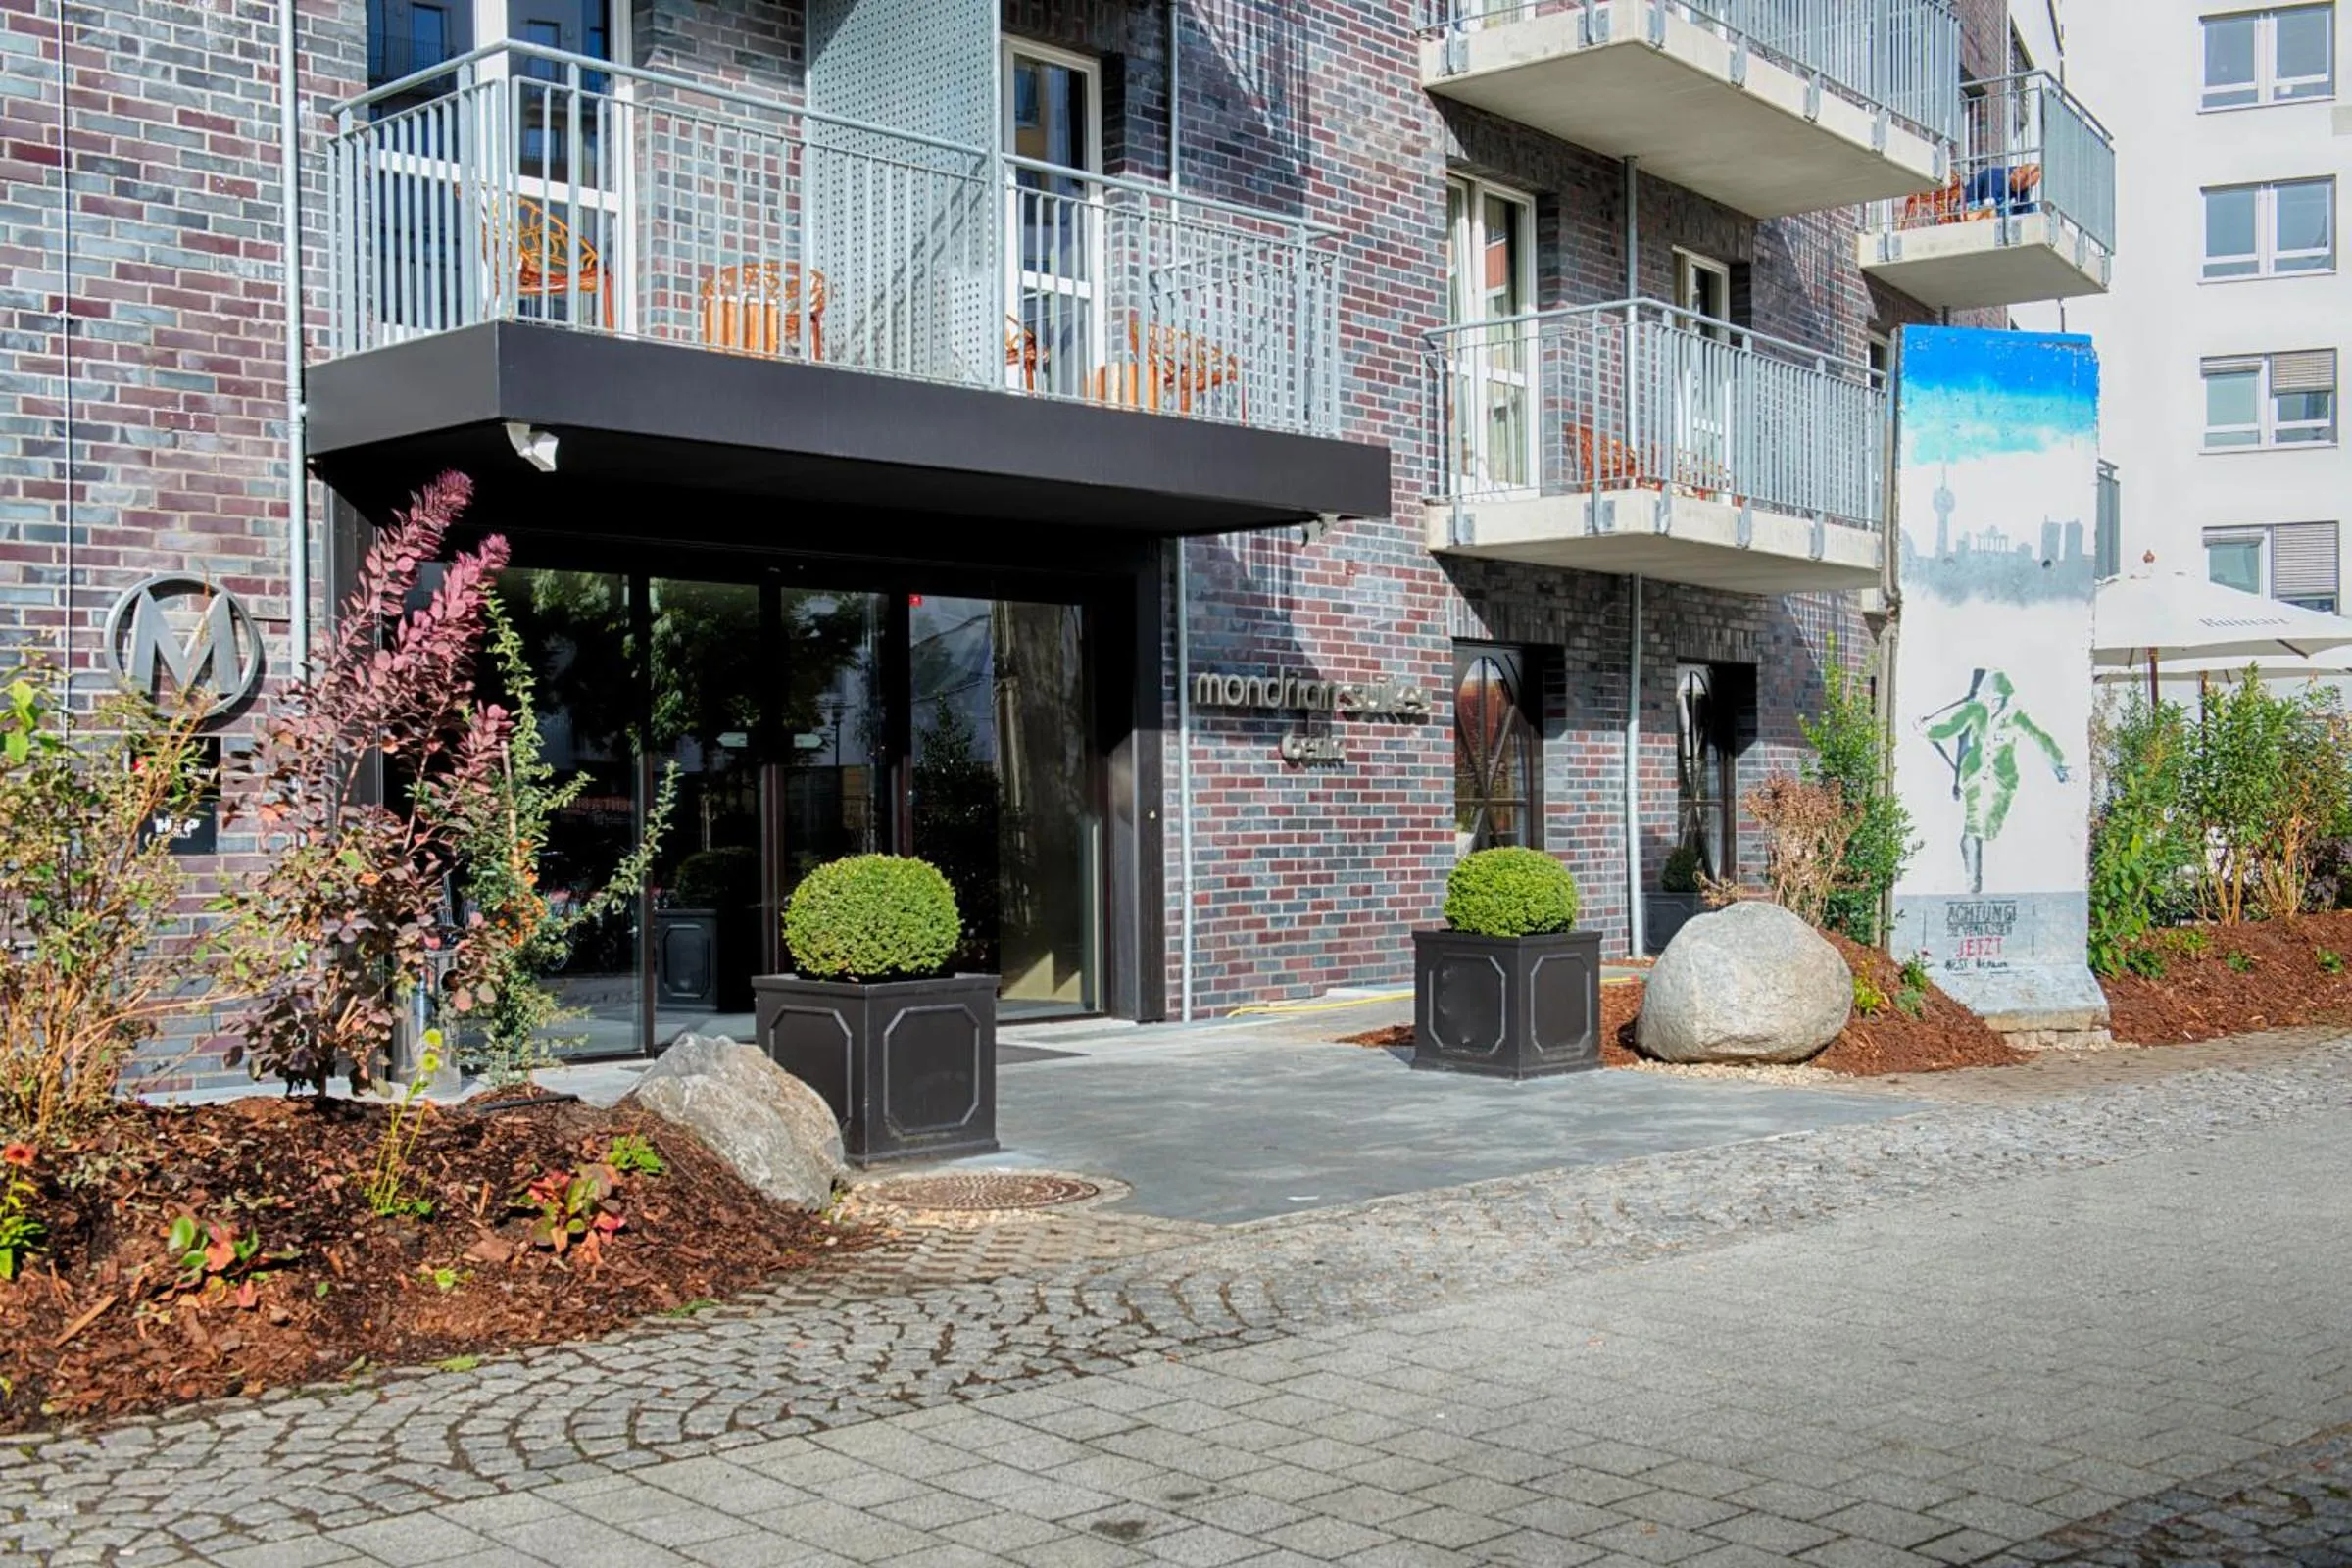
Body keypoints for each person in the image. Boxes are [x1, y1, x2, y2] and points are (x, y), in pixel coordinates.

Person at [1921, 668, 2069, 894]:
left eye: (1996, 699)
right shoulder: (1975, 710)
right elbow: (1950, 728)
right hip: (1975, 776)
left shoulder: (2015, 716)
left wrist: (2058, 764)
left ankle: (1985, 848)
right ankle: (1973, 882)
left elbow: (2040, 737)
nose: (1991, 704)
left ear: (2005, 698)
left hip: (2003, 780)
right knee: (1973, 828)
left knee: (1990, 828)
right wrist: (1928, 730)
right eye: (1988, 699)